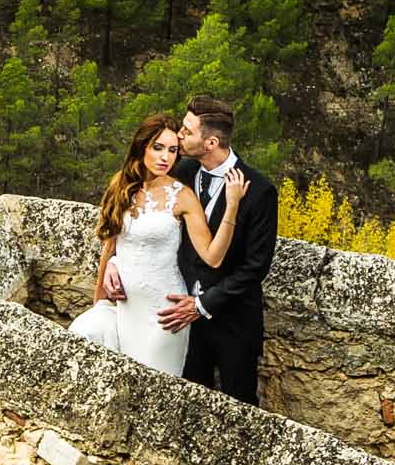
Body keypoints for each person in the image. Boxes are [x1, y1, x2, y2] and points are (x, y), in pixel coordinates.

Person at [102, 95, 278, 405]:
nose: (179, 137)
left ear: (210, 142)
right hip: (173, 314)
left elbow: (256, 267)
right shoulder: (178, 173)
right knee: (180, 402)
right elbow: (137, 221)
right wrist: (116, 260)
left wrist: (201, 305)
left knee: (239, 405)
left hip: (231, 320)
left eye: (186, 131)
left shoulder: (259, 190)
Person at [70, 112, 245, 376]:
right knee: (83, 334)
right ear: (142, 147)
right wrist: (101, 299)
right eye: (158, 148)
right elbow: (110, 247)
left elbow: (213, 257)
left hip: (162, 314)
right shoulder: (121, 186)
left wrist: (232, 206)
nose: (165, 157)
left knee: (146, 386)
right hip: (122, 309)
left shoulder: (182, 196)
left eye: (173, 150)